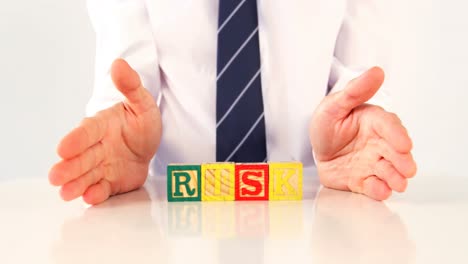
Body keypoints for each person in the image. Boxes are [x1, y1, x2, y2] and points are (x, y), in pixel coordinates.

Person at [49, 0, 417, 205]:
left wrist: (358, 129)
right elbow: (123, 79)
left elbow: (365, 76)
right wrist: (120, 133)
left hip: (314, 208)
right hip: (171, 217)